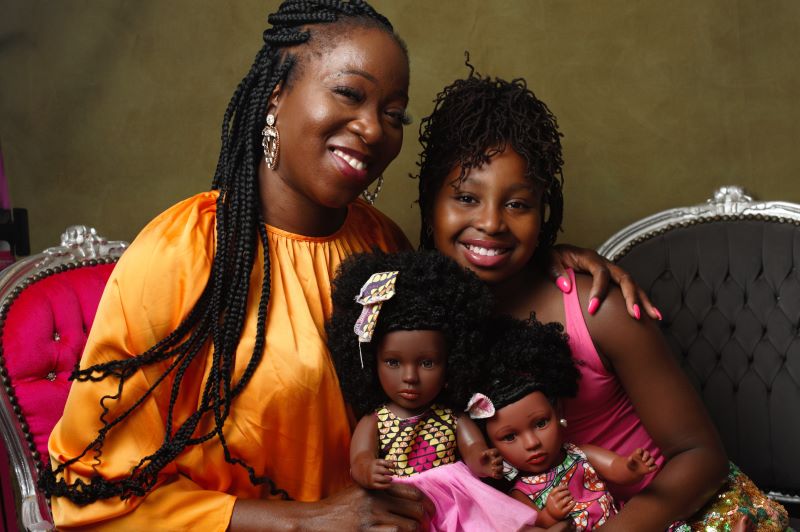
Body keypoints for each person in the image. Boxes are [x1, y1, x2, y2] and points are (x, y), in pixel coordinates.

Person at [44, 2, 657, 530]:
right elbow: (91, 489)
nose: (373, 129)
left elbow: (461, 315)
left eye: (393, 114)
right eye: (350, 93)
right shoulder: (187, 251)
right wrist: (308, 522)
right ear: (276, 94)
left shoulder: (380, 245)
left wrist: (553, 256)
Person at [416, 63, 789, 530]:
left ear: (543, 213)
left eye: (518, 204)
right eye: (466, 198)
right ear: (430, 205)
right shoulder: (419, 321)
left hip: (680, 516)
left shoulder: (596, 307)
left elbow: (700, 456)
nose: (492, 222)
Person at [327, 249, 539, 531]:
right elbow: (360, 458)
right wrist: (367, 470)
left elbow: (473, 446)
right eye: (393, 362)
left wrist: (481, 459)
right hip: (401, 500)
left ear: (452, 362)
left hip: (456, 496)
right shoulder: (375, 419)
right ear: (371, 363)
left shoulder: (452, 417)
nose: (410, 377)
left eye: (427, 363)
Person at [471, 316, 657, 530]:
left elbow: (616, 467)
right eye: (510, 437)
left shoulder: (580, 454)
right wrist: (549, 515)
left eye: (540, 423)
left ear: (558, 412)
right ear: (493, 446)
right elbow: (534, 525)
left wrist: (631, 468)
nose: (532, 443)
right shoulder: (520, 492)